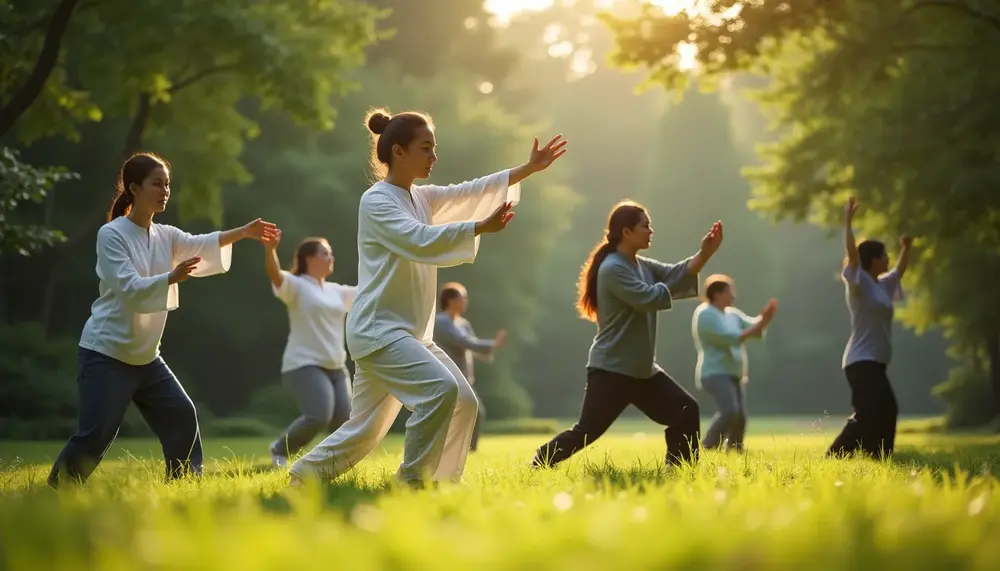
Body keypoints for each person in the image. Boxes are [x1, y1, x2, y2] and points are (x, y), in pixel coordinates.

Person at [288, 108, 567, 487]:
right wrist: (479, 227)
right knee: (441, 391)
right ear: (398, 152)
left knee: (401, 420)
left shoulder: (422, 197)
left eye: (434, 149)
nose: (435, 157)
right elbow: (417, 240)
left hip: (408, 333)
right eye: (426, 148)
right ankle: (412, 482)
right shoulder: (377, 201)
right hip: (379, 330)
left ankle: (314, 474)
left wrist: (526, 170)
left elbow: (471, 191)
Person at [48, 152, 278, 488]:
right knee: (96, 435)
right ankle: (57, 490)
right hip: (106, 354)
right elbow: (128, 289)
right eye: (157, 183)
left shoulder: (165, 235)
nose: (165, 190)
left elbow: (200, 244)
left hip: (146, 358)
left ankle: (184, 486)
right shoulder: (111, 235)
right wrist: (170, 278)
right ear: (134, 188)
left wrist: (244, 232)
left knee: (182, 417)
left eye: (167, 184)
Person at [533, 200, 722, 469]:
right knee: (587, 431)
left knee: (685, 410)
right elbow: (647, 297)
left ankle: (680, 469)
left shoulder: (641, 264)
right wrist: (670, 284)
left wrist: (705, 254)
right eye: (645, 226)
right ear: (626, 232)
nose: (651, 231)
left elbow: (675, 274)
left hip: (643, 370)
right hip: (612, 369)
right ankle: (540, 460)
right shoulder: (613, 268)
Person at [262, 233, 358, 466]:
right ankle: (279, 450)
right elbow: (276, 277)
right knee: (319, 415)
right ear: (309, 259)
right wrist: (270, 249)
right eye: (325, 253)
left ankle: (332, 462)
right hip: (304, 364)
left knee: (346, 419)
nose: (331, 257)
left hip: (336, 366)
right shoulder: (297, 285)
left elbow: (369, 291)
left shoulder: (337, 291)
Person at [828, 196, 911, 460]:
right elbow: (853, 255)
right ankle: (838, 454)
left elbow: (900, 271)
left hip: (874, 361)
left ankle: (877, 455)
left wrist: (906, 247)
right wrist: (848, 222)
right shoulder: (859, 282)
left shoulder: (881, 284)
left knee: (881, 410)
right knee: (874, 410)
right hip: (860, 360)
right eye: (884, 255)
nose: (888, 259)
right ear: (873, 260)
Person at [691, 274, 777, 453]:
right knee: (730, 411)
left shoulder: (733, 315)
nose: (733, 296)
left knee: (740, 416)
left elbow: (753, 328)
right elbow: (728, 338)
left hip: (734, 371)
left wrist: (765, 319)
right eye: (729, 292)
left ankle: (735, 449)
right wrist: (758, 325)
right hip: (714, 371)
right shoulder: (705, 314)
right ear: (717, 294)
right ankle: (709, 445)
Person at [433, 282, 505, 452]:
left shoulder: (463, 323)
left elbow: (471, 346)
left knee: (474, 412)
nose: (466, 301)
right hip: (447, 376)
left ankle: (467, 449)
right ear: (451, 301)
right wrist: (492, 344)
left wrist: (488, 350)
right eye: (462, 297)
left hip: (465, 377)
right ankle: (452, 449)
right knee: (460, 414)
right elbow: (464, 342)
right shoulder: (441, 322)